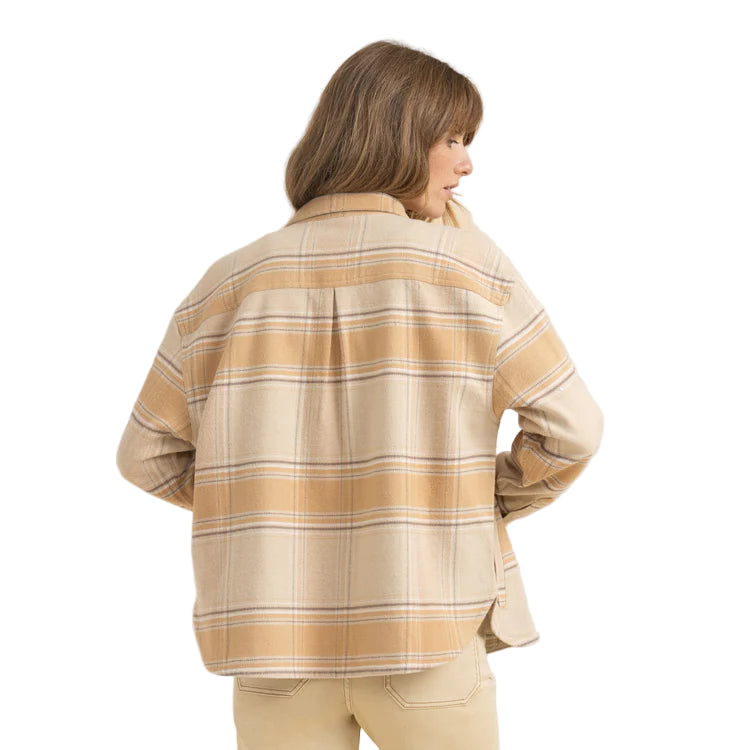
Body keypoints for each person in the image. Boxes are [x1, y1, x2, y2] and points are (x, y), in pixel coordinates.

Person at [116, 39, 604, 750]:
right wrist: (470, 499)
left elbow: (144, 455)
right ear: (397, 139)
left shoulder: (227, 284)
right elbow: (573, 429)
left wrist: (278, 504)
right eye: (452, 139)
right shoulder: (469, 268)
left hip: (274, 654)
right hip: (425, 637)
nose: (467, 163)